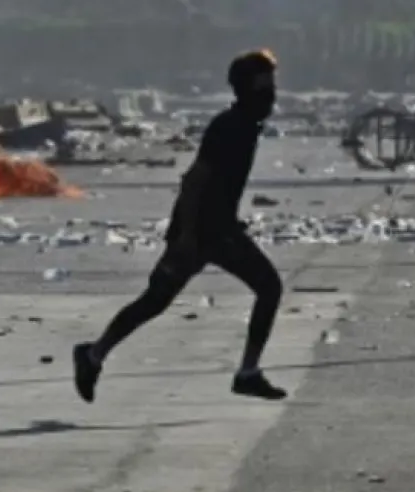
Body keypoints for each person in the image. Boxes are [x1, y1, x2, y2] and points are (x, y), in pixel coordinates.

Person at [73, 49, 286, 402]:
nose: (271, 97)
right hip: (202, 234)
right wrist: (186, 235)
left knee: (163, 299)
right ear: (246, 90)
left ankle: (93, 355)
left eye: (272, 89)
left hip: (219, 232)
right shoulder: (230, 128)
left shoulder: (246, 126)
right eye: (265, 89)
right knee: (159, 300)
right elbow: (194, 181)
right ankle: (93, 355)